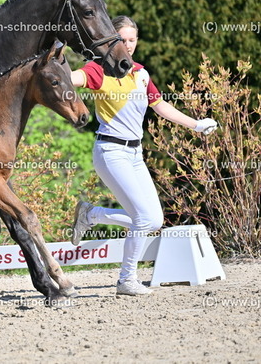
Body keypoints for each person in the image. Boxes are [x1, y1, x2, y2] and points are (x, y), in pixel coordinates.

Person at [70, 15, 217, 296]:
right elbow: (71, 78)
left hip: (135, 154)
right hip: (111, 152)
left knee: (153, 221)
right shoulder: (99, 69)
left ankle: (93, 214)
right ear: (112, 40)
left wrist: (196, 125)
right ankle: (127, 280)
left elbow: (161, 106)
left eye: (132, 40)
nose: (128, 45)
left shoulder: (141, 73)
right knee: (142, 217)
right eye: (122, 40)